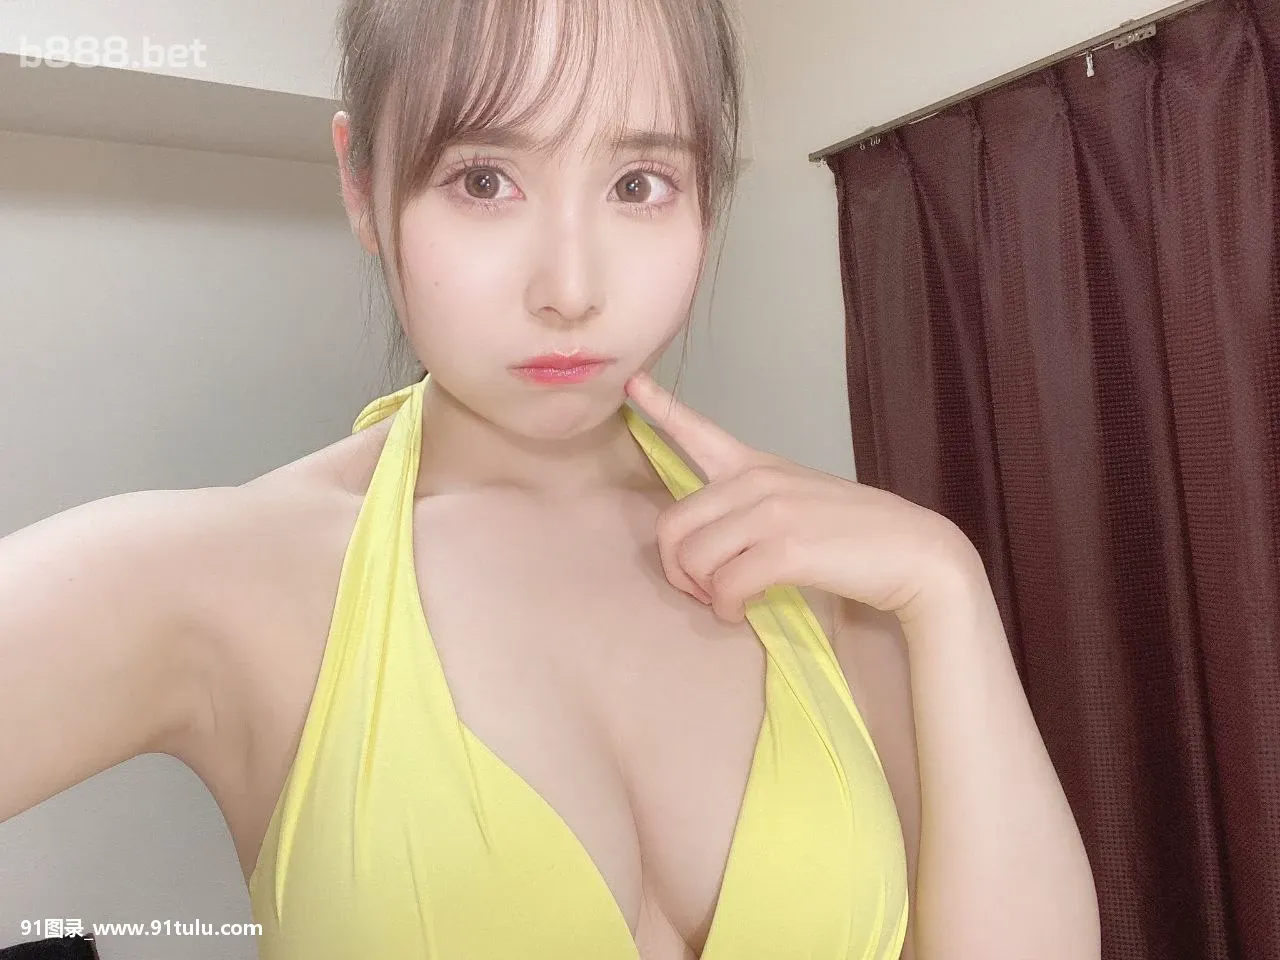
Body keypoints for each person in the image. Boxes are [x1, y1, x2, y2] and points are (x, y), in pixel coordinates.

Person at [0, 0, 1101, 957]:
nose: (570, 288)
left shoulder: (827, 578)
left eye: (638, 183)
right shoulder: (218, 578)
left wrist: (947, 585)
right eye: (484, 180)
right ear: (361, 184)